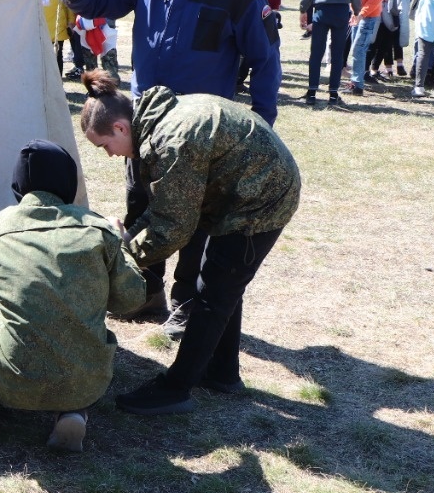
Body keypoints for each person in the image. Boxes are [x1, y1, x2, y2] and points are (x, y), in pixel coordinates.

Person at [39, 0, 281, 332]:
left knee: (196, 218)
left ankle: (185, 302)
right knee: (140, 203)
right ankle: (143, 291)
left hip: (200, 135)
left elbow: (265, 58)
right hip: (145, 123)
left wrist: (262, 121)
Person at [79, 71, 300, 415]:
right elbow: (167, 207)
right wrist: (130, 235)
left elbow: (173, 227)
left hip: (261, 199)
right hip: (239, 192)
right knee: (220, 284)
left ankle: (176, 388)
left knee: (214, 293)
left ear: (121, 128)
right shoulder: (157, 122)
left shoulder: (173, 139)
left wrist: (123, 255)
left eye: (104, 145)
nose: (108, 155)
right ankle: (222, 372)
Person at [0, 140, 144, 449]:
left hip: (10, 379)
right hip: (86, 380)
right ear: (68, 181)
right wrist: (120, 242)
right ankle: (72, 408)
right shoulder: (98, 230)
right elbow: (131, 299)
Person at [346, 0, 386, 97]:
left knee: (358, 49)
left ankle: (357, 85)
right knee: (356, 50)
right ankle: (356, 82)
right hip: (356, 13)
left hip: (368, 15)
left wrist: (362, 13)